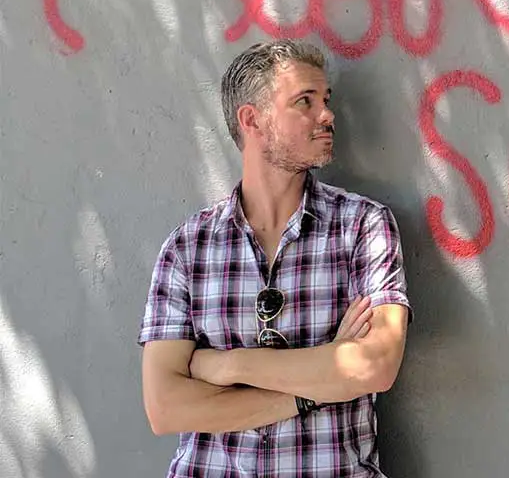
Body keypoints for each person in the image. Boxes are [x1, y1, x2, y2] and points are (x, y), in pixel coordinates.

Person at [138, 39, 411, 476]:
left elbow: (375, 366)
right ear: (253, 120)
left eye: (325, 100)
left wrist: (228, 365)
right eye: (304, 102)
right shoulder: (188, 248)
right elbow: (166, 408)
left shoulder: (362, 226)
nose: (327, 115)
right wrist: (316, 386)